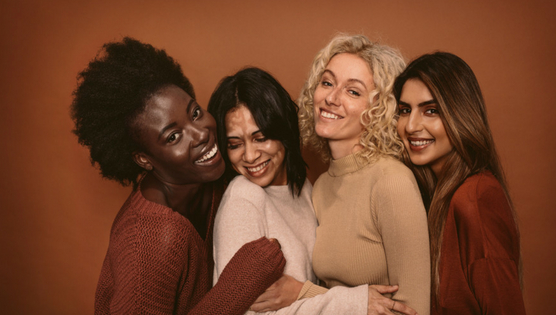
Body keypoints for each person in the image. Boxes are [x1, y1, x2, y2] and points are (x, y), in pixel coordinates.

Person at [70, 37, 286, 315]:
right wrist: (236, 287)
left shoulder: (214, 178)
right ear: (144, 159)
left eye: (195, 113)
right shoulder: (150, 240)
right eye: (173, 136)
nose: (201, 133)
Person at [208, 67, 417, 315]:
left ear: (282, 130)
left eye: (261, 138)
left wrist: (330, 297)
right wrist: (353, 303)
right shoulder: (243, 197)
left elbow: (306, 291)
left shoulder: (306, 190)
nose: (250, 156)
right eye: (235, 144)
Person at [298, 34, 431, 315]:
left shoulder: (391, 181)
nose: (331, 98)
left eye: (353, 91)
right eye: (327, 82)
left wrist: (301, 294)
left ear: (379, 109)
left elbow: (413, 310)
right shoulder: (321, 186)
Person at [393, 52, 525, 315]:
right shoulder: (436, 194)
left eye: (431, 111)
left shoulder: (475, 197)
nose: (411, 125)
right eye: (405, 110)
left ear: (460, 115)